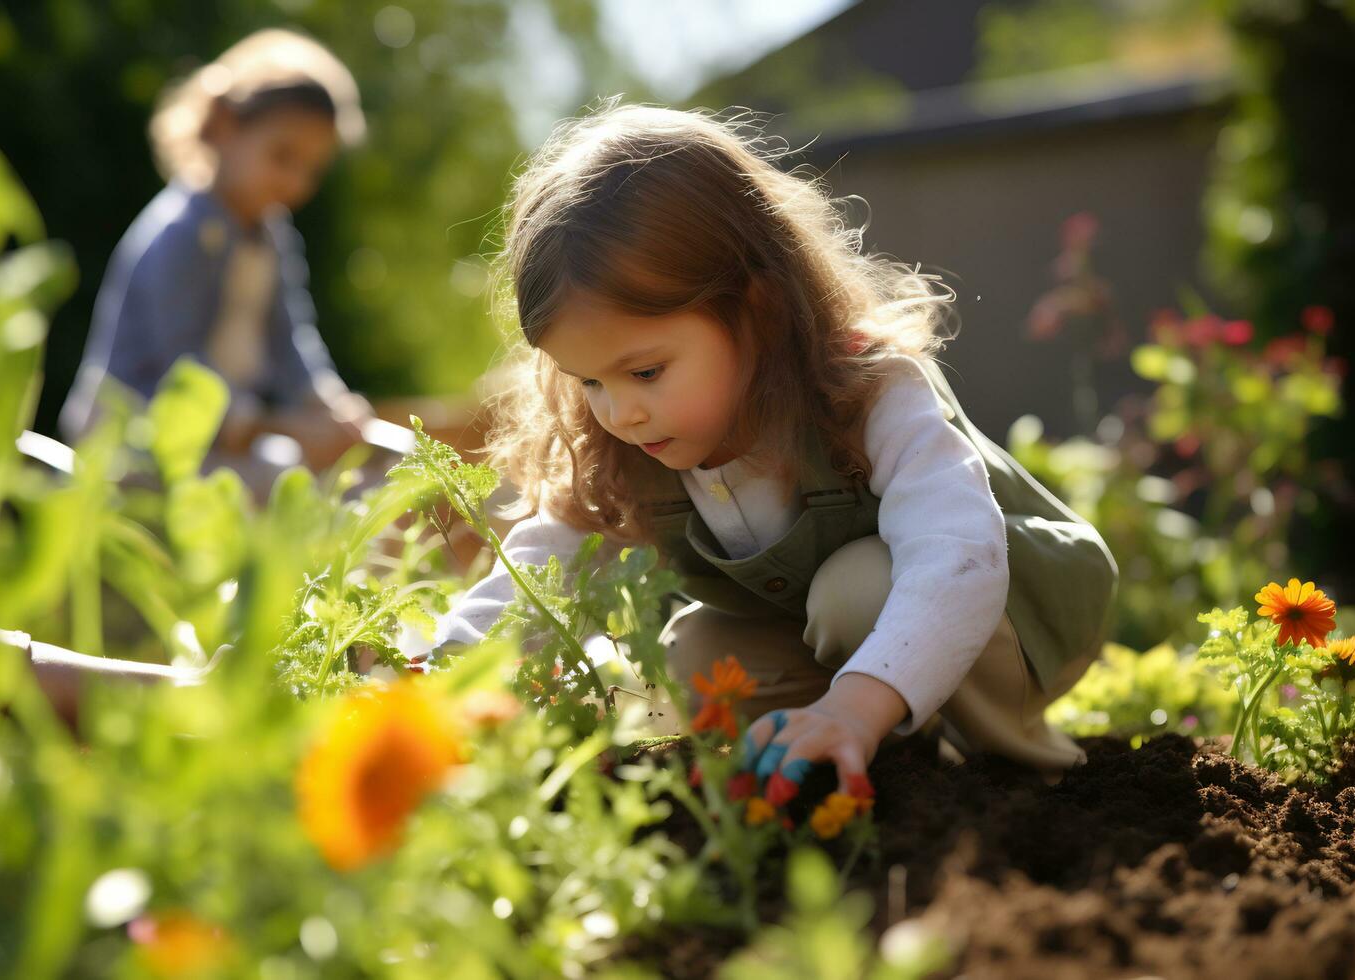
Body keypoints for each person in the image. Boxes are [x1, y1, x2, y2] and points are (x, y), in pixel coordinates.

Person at [429, 101, 1118, 788]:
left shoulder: (867, 388)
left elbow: (957, 557)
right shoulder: (623, 446)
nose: (622, 413)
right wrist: (443, 675)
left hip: (1014, 615)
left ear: (756, 309)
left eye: (645, 372)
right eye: (589, 382)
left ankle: (1022, 776)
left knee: (858, 591)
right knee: (697, 654)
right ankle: (869, 769)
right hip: (841, 640)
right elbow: (543, 576)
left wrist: (856, 704)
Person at [60, 28, 379, 477]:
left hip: (216, 437)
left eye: (311, 169)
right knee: (282, 486)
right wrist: (282, 425)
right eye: (282, 156)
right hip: (130, 441)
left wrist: (328, 402)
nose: (296, 183)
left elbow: (290, 338)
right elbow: (182, 371)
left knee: (324, 483)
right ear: (226, 127)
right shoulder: (181, 232)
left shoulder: (273, 236)